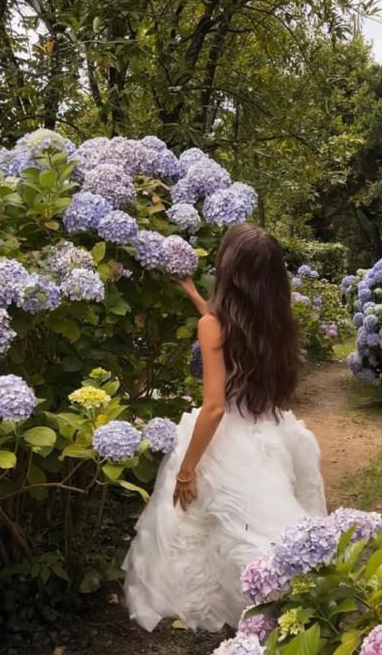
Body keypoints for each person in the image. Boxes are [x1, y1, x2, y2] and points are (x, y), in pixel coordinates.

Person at [123, 223, 326, 632]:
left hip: (228, 437)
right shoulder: (277, 322)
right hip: (269, 431)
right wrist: (197, 299)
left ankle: (261, 623)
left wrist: (187, 469)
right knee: (255, 531)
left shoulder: (215, 326)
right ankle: (276, 620)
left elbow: (214, 408)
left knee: (231, 536)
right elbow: (228, 336)